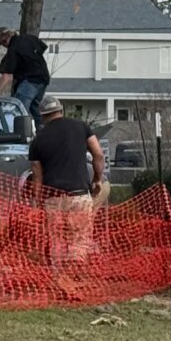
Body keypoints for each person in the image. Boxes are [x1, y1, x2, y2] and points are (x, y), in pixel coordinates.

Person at [27, 96, 104, 263]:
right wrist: (97, 179)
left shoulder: (38, 139)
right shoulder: (81, 127)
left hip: (53, 199)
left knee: (58, 245)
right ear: (61, 110)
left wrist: (36, 201)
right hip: (79, 196)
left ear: (43, 116)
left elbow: (37, 175)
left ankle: (59, 276)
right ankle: (77, 275)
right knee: (79, 243)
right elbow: (98, 154)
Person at [0, 27, 49, 111]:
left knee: (18, 109)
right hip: (43, 79)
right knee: (34, 109)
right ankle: (39, 120)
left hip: (29, 82)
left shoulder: (12, 49)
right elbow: (43, 47)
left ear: (4, 39)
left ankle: (20, 120)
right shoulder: (30, 38)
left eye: (1, 43)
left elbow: (7, 75)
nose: (4, 46)